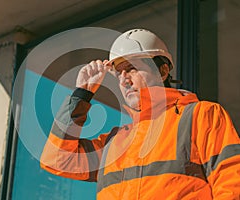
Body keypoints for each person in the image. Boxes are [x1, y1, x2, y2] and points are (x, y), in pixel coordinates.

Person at [40, 29, 240, 199]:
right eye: (119, 73)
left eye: (132, 68)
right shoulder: (114, 142)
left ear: (162, 72)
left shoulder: (200, 115)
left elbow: (231, 181)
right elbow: (57, 160)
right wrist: (82, 94)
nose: (124, 80)